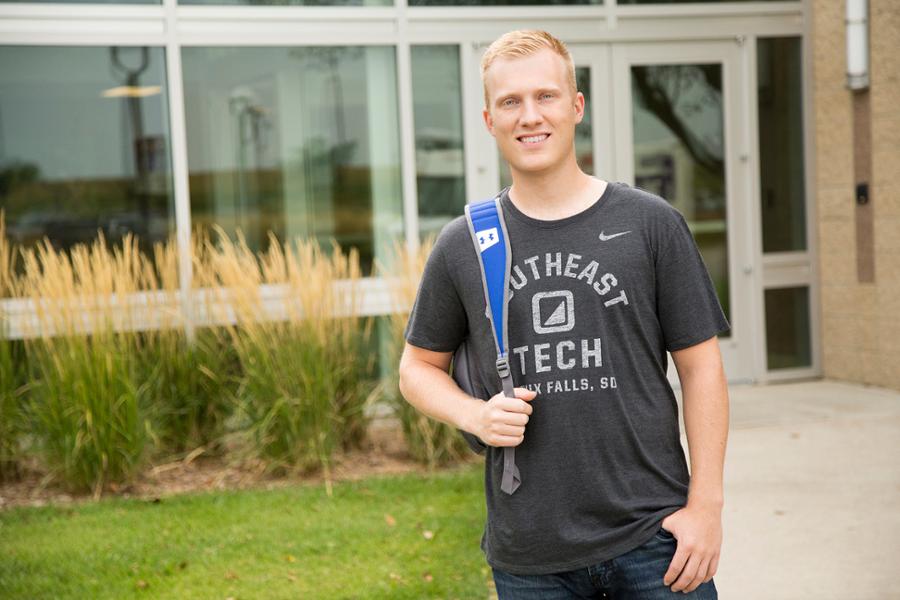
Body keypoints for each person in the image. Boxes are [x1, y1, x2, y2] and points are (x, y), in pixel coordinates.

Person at [398, 29, 729, 599]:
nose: (530, 116)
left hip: (654, 540)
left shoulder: (651, 224)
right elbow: (415, 368)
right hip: (532, 557)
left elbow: (702, 368)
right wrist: (475, 416)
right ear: (488, 120)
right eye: (510, 102)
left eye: (545, 96)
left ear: (576, 106)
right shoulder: (466, 243)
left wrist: (706, 507)